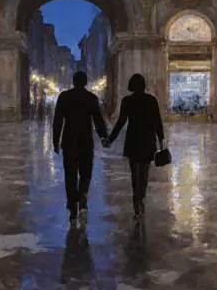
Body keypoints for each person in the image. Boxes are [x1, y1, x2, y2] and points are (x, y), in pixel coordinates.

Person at [105, 73, 164, 220]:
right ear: (144, 85)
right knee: (144, 173)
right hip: (148, 141)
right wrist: (161, 140)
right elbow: (158, 121)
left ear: (131, 85)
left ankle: (136, 200)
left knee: (134, 173)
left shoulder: (127, 101)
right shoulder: (151, 100)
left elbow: (121, 122)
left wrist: (110, 139)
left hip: (133, 141)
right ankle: (140, 199)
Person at [53, 71, 109, 222]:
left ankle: (72, 205)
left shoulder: (64, 97)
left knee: (70, 175)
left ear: (73, 81)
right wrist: (103, 137)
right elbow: (98, 120)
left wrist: (55, 141)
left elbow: (58, 120)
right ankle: (82, 195)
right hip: (85, 142)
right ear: (85, 82)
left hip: (69, 142)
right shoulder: (91, 98)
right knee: (86, 174)